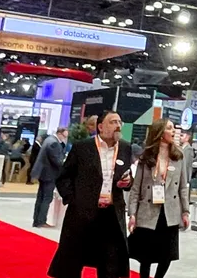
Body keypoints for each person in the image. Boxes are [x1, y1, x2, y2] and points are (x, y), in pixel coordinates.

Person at [48, 110, 134, 278]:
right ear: (100, 127)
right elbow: (63, 177)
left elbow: (128, 176)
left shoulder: (125, 147)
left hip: (111, 215)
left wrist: (127, 182)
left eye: (119, 122)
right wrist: (73, 200)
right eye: (113, 122)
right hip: (82, 214)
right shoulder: (83, 147)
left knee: (110, 264)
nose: (118, 126)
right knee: (73, 261)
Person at [128, 119, 190, 278]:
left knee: (167, 254)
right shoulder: (146, 157)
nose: (174, 131)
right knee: (145, 256)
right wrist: (132, 214)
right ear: (160, 133)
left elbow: (183, 187)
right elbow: (136, 188)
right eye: (169, 128)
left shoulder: (179, 156)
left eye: (173, 128)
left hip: (170, 211)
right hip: (148, 210)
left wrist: (185, 212)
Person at [32, 127, 68, 228]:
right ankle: (41, 221)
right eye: (64, 136)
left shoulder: (48, 140)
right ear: (60, 133)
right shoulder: (54, 143)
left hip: (43, 173)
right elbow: (57, 161)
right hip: (49, 174)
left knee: (40, 197)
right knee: (46, 198)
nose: (65, 139)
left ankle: (37, 220)